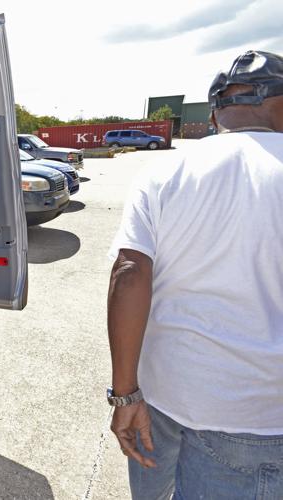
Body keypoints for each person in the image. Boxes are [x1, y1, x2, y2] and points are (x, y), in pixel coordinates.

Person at [107, 50, 283, 499]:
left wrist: (125, 396)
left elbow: (129, 271)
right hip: (256, 418)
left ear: (216, 111)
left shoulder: (164, 169)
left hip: (159, 397)